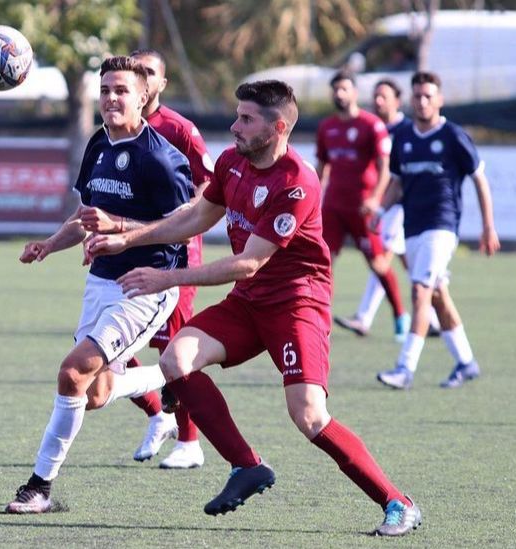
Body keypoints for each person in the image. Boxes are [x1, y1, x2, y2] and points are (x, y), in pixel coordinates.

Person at [87, 79, 422, 536]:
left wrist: (167, 277)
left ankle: (397, 502)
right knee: (175, 360)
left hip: (296, 304)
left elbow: (247, 263)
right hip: (249, 301)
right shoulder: (232, 161)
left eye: (246, 119)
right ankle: (246, 466)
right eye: (237, 115)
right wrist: (129, 237)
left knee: (308, 416)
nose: (234, 126)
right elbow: (195, 217)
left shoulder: (297, 184)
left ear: (277, 127)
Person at [4, 56, 194, 514]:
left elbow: (183, 228)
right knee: (95, 394)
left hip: (144, 285)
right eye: (105, 89)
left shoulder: (162, 160)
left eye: (121, 90)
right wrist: (50, 244)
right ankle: (167, 376)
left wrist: (120, 227)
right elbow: (86, 218)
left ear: (143, 96)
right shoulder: (98, 145)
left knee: (71, 372)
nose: (111, 98)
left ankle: (38, 487)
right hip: (101, 281)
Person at [78, 48, 213, 470]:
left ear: (159, 84)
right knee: (115, 346)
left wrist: (164, 231)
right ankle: (158, 415)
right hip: (117, 255)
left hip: (171, 254)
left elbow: (206, 194)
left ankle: (190, 441)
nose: (145, 80)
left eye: (151, 74)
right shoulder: (109, 132)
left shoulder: (179, 130)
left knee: (173, 346)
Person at [376, 71, 500, 390]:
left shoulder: (453, 136)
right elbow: (397, 184)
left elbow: (479, 179)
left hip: (442, 227)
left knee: (420, 292)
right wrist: (378, 211)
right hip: (413, 228)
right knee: (437, 296)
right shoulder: (402, 138)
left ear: (439, 100)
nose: (422, 101)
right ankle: (466, 361)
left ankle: (404, 368)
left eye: (428, 95)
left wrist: (488, 226)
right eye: (417, 95)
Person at [334, 79, 441, 338]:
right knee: (409, 263)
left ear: (397, 99)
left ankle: (365, 317)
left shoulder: (407, 127)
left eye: (384, 96)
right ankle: (435, 320)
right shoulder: (371, 126)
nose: (378, 100)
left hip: (400, 205)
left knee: (381, 260)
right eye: (375, 96)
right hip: (385, 205)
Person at [316, 71, 410, 342]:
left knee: (379, 264)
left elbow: (385, 169)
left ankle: (400, 314)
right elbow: (322, 168)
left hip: (362, 209)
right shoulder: (327, 127)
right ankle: (320, 321)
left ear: (355, 93)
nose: (339, 94)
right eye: (336, 89)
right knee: (323, 264)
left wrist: (375, 199)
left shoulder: (372, 125)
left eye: (344, 89)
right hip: (333, 206)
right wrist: (314, 198)